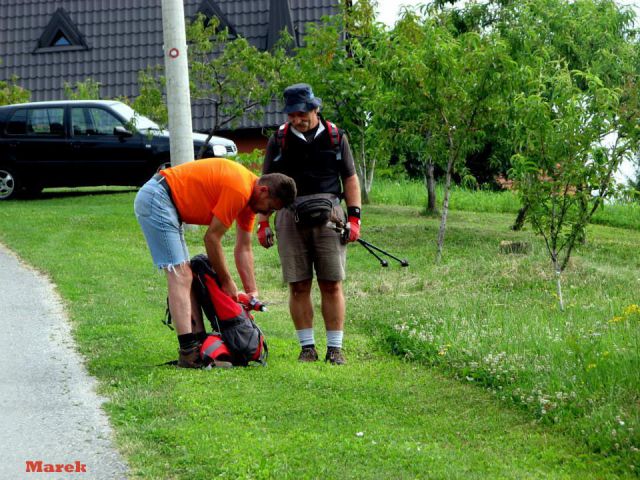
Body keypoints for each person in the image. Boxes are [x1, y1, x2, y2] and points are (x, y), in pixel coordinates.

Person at [134, 157, 296, 368]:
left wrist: (252, 293)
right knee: (180, 274)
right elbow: (211, 239)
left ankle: (198, 342)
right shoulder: (239, 189)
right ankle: (189, 353)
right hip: (158, 197)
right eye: (270, 208)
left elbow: (244, 248)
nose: (266, 213)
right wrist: (227, 282)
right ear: (264, 190)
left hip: (168, 201)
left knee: (187, 275)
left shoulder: (251, 201)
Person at [257, 83, 361, 365]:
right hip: (290, 216)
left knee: (331, 284)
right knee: (298, 284)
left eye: (301, 113)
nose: (296, 119)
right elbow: (264, 185)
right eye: (291, 114)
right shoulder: (278, 140)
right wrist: (262, 222)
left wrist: (354, 219)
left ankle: (335, 349)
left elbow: (350, 179)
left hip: (331, 217)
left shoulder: (336, 136)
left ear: (315, 109)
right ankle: (307, 348)